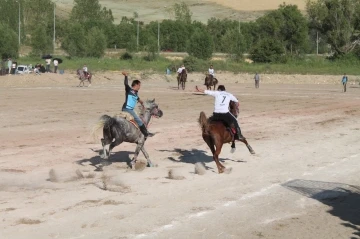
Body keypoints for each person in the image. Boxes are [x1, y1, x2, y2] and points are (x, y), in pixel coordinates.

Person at [121, 71, 153, 139]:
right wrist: (126, 76)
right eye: (139, 85)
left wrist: (142, 104)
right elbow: (126, 84)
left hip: (130, 109)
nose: (140, 87)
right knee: (139, 120)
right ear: (137, 85)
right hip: (127, 109)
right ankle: (146, 133)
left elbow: (139, 99)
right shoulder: (129, 90)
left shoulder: (135, 93)